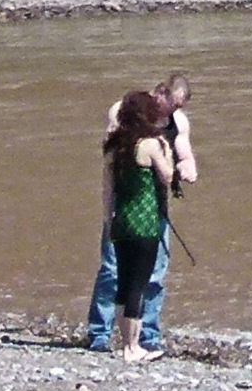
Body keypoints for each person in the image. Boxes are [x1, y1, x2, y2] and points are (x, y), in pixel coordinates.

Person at [82, 73, 197, 354]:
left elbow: (185, 156)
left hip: (156, 206)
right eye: (173, 104)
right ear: (161, 93)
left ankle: (148, 334)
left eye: (179, 106)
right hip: (126, 202)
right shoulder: (124, 111)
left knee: (155, 275)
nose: (174, 110)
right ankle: (100, 333)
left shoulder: (177, 122)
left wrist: (188, 167)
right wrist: (108, 212)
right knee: (112, 271)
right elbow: (111, 157)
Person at [98, 88, 177, 361]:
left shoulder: (114, 147)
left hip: (121, 219)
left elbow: (108, 190)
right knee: (139, 284)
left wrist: (108, 220)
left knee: (123, 282)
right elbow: (167, 176)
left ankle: (124, 343)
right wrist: (167, 150)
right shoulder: (151, 145)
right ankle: (133, 347)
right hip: (144, 221)